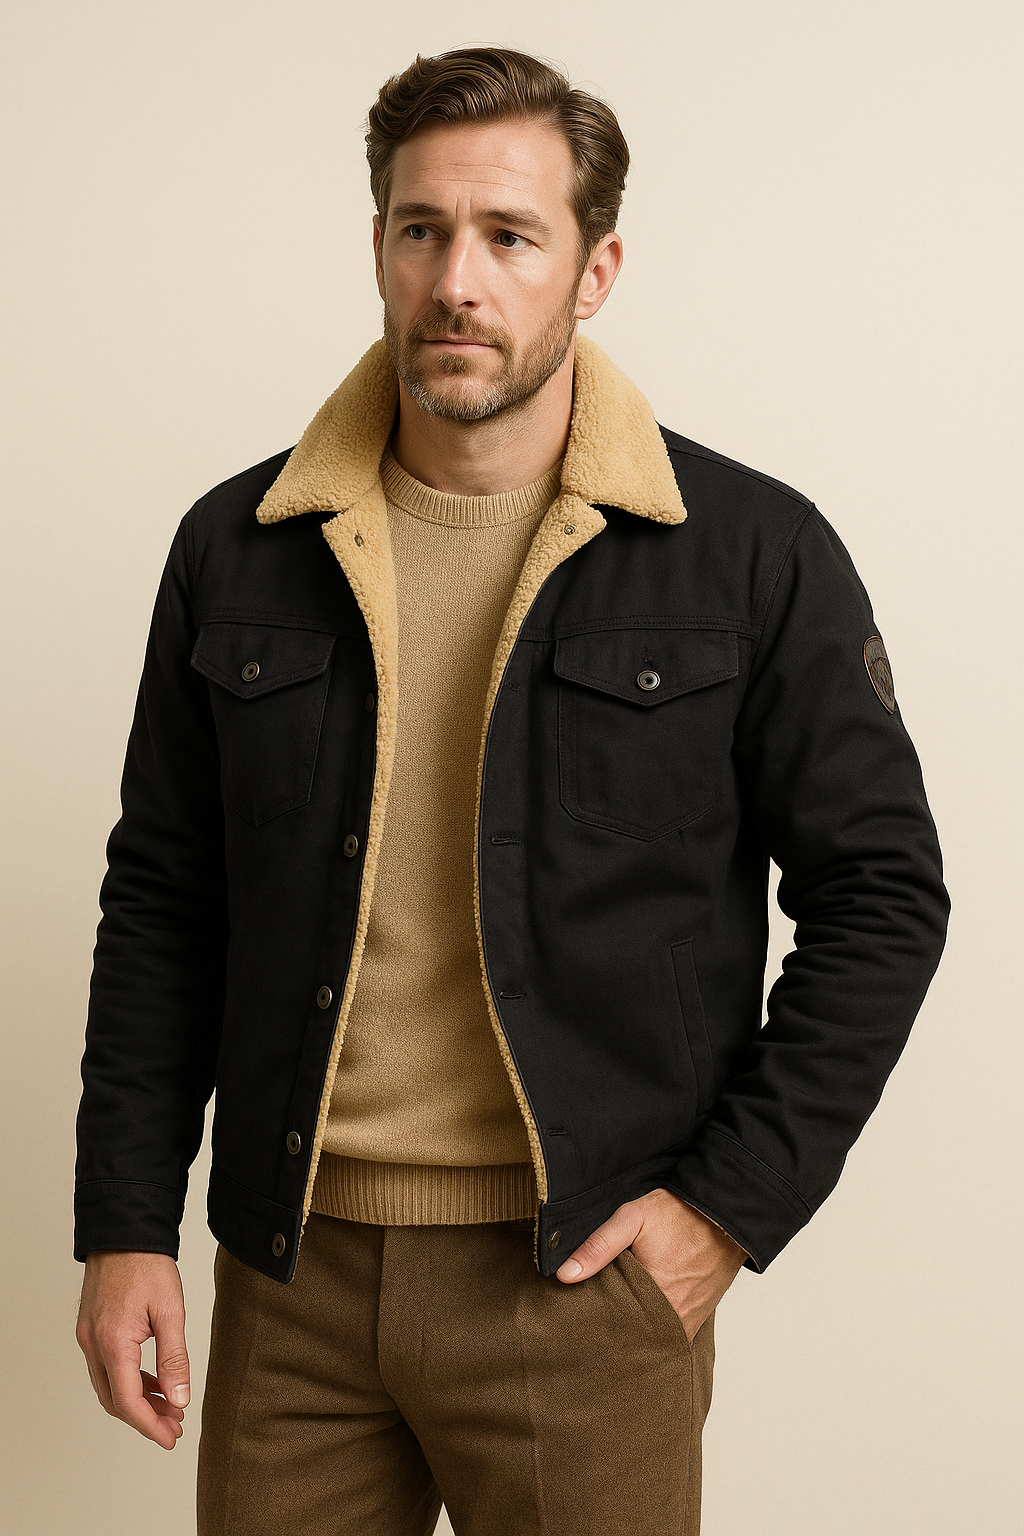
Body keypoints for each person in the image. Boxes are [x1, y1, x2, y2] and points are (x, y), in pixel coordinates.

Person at [74, 45, 949, 1536]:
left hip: (583, 1282)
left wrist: (723, 1212)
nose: (457, 282)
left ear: (595, 270)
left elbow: (884, 899)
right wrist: (123, 1224)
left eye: (510, 236)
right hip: (291, 1277)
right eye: (422, 230)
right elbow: (166, 899)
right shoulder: (238, 546)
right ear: (377, 247)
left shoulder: (751, 553)